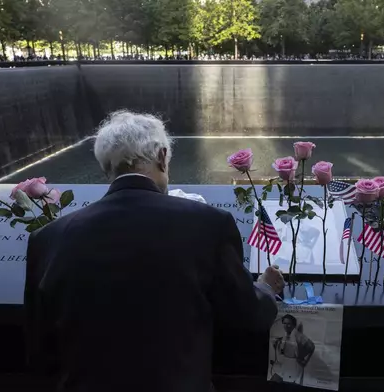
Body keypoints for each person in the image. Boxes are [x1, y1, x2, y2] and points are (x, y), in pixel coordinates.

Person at [24, 110, 284, 392]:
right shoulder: (208, 223)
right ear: (162, 156)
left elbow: (40, 351)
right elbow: (248, 315)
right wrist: (267, 288)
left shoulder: (49, 237)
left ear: (106, 168)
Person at [269, 314, 316, 384]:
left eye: (289, 324)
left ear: (293, 325)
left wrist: (302, 359)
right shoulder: (286, 334)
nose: (286, 325)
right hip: (284, 364)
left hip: (293, 365)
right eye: (284, 323)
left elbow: (311, 346)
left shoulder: (298, 335)